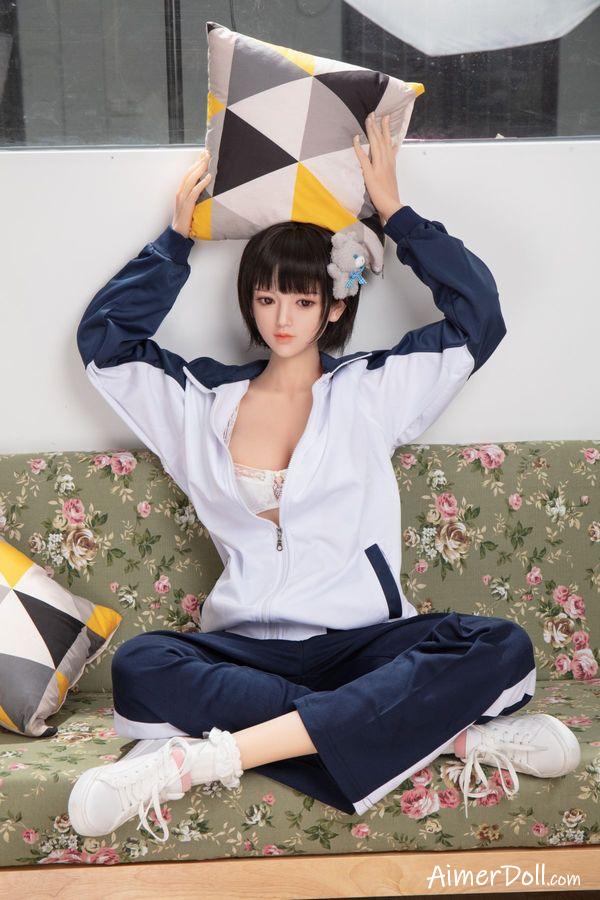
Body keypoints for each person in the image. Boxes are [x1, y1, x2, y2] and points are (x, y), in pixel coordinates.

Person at [68, 113, 580, 843]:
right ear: (249, 301)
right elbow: (106, 343)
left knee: (499, 645)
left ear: (335, 305)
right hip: (248, 651)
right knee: (145, 665)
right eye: (267, 298)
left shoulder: (371, 391)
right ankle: (444, 736)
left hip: (364, 646)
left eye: (303, 301)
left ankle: (199, 761)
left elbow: (478, 319)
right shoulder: (197, 403)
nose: (281, 317)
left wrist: (397, 214)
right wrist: (175, 241)